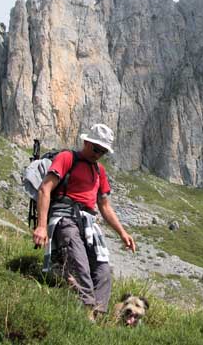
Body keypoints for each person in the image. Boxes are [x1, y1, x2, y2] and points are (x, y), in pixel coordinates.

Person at [32, 123, 136, 318]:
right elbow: (45, 189)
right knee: (80, 263)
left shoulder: (99, 171)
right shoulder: (66, 158)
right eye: (96, 148)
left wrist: (123, 233)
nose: (98, 154)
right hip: (64, 218)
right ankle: (87, 311)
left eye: (103, 151)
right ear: (86, 142)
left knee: (103, 270)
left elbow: (104, 206)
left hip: (88, 223)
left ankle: (98, 315)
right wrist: (41, 226)